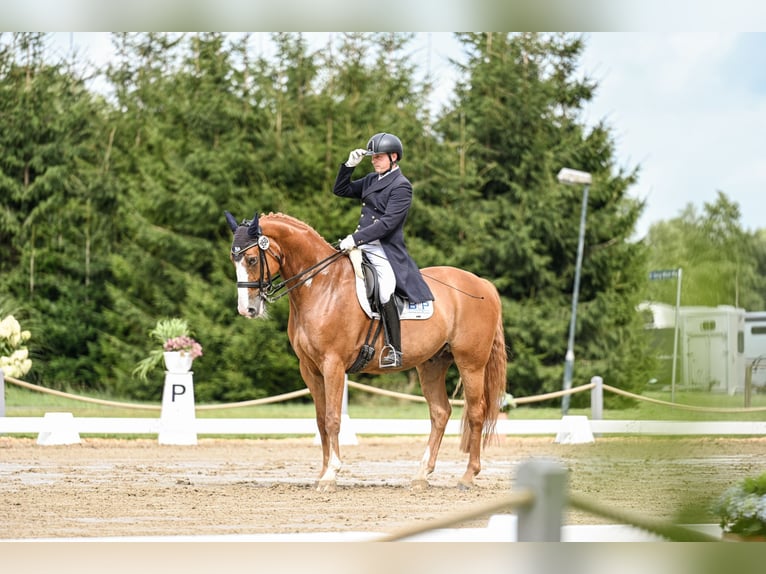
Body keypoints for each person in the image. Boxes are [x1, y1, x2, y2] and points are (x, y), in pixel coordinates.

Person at [333, 132, 434, 368]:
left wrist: (355, 238)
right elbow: (340, 190)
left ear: (393, 157)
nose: (374, 161)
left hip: (384, 249)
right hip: (361, 245)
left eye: (378, 157)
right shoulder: (370, 180)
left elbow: (388, 224)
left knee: (386, 288)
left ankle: (394, 349)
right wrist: (349, 166)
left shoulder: (401, 186)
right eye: (373, 157)